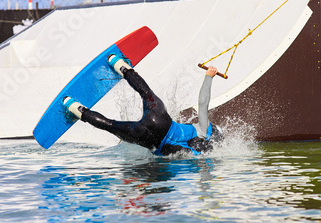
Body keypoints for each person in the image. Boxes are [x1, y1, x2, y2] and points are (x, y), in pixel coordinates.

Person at [62, 55, 223, 156]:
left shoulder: (205, 130)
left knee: (146, 93)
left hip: (160, 120)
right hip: (149, 140)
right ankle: (73, 107)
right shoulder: (200, 154)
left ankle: (118, 64)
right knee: (110, 126)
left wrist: (209, 75)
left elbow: (203, 103)